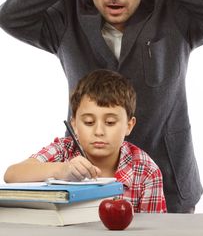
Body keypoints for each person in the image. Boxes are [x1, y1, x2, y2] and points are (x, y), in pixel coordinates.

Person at [0, 0, 203, 213]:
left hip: (164, 182)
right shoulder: (68, 13)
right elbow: (10, 16)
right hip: (83, 184)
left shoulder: (171, 10)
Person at [4, 69, 167, 213]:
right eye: (89, 122)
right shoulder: (64, 150)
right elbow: (12, 174)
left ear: (129, 126)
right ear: (74, 124)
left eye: (110, 123)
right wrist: (61, 170)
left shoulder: (146, 171)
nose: (99, 132)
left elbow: (153, 229)